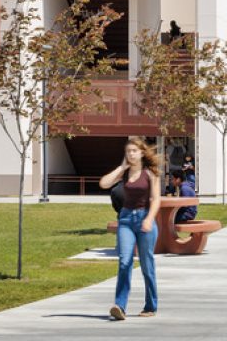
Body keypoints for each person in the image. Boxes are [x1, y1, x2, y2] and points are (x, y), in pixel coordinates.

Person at [98, 137, 161, 320]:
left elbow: (155, 199)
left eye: (134, 151)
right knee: (124, 261)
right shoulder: (124, 173)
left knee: (147, 265)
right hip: (125, 219)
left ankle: (150, 305)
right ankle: (120, 306)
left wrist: (149, 219)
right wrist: (121, 167)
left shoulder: (151, 173)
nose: (131, 154)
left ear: (142, 153)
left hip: (144, 219)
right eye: (128, 151)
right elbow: (104, 183)